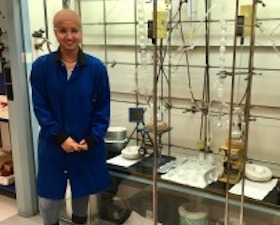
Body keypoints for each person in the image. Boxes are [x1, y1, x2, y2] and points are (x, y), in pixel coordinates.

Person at [30, 8, 111, 225]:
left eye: (74, 30)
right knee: (48, 200)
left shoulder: (96, 68)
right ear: (55, 32)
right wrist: (60, 138)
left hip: (84, 144)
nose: (69, 36)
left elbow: (102, 109)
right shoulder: (41, 68)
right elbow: (40, 107)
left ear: (81, 32)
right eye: (63, 30)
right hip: (53, 145)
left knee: (81, 195)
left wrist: (93, 138)